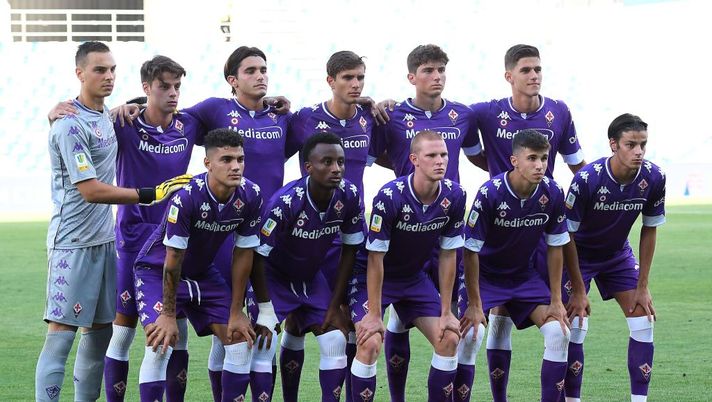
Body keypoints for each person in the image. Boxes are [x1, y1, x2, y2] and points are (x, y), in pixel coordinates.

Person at [37, 41, 189, 402]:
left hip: (106, 241)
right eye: (99, 70)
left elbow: (146, 108)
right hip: (72, 243)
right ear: (80, 73)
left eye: (112, 70)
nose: (108, 77)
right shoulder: (69, 125)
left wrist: (131, 105)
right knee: (61, 335)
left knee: (100, 334)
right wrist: (148, 194)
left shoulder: (110, 117)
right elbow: (90, 190)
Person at [467, 44, 589, 401]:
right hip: (499, 227)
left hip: (541, 224)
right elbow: (447, 122)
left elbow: (577, 166)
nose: (534, 76)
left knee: (565, 321)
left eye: (538, 69)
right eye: (526, 70)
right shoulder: (486, 114)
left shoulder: (558, 112)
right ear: (510, 76)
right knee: (493, 319)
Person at [366, 44, 484, 401]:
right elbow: (368, 158)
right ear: (412, 77)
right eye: (429, 70)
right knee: (398, 320)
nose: (437, 77)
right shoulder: (391, 116)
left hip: (445, 226)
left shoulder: (463, 116)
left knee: (460, 328)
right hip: (403, 232)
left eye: (441, 70)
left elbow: (483, 158)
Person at [132, 128, 276, 401]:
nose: (235, 166)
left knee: (238, 341)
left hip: (201, 273)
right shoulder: (187, 197)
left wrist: (236, 311)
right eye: (226, 160)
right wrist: (168, 314)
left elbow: (244, 254)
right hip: (156, 270)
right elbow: (172, 262)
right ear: (208, 163)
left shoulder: (251, 195)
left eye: (240, 159)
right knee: (161, 343)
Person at [97, 55, 206, 402]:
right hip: (133, 240)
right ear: (147, 88)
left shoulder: (189, 125)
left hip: (176, 240)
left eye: (177, 86)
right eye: (164, 87)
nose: (173, 93)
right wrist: (57, 110)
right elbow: (85, 121)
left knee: (179, 331)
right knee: (124, 331)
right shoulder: (124, 123)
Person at [282, 50, 374, 402]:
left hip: (350, 234)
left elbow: (381, 155)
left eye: (360, 77)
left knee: (349, 320)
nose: (355, 84)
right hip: (308, 235)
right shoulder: (305, 119)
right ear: (330, 81)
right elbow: (275, 146)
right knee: (296, 319)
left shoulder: (368, 118)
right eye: (348, 77)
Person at [350, 130, 466, 402]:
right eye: (432, 155)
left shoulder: (455, 195)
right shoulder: (390, 197)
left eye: (444, 155)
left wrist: (448, 311)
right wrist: (375, 314)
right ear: (414, 159)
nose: (440, 161)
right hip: (376, 276)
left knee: (448, 338)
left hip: (413, 278)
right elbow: (375, 259)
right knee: (370, 342)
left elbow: (449, 255)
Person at [459, 129, 572, 402]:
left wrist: (556, 300)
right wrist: (475, 304)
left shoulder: (553, 191)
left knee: (559, 333)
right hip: (485, 277)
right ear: (515, 161)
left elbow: (557, 247)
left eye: (544, 158)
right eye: (532, 158)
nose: (539, 165)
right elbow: (470, 251)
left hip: (523, 278)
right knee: (472, 336)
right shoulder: (490, 194)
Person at [560, 113, 665, 402]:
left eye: (643, 144)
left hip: (617, 254)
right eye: (631, 144)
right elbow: (565, 236)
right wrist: (579, 290)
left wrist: (642, 286)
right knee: (576, 325)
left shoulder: (654, 177)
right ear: (613, 145)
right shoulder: (586, 180)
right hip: (578, 256)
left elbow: (650, 229)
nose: (639, 151)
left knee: (644, 320)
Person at [254, 132, 365, 402]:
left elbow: (350, 249)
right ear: (308, 167)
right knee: (262, 344)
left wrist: (335, 302)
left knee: (336, 339)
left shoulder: (349, 195)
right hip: (273, 278)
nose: (336, 168)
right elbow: (257, 257)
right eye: (326, 162)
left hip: (311, 277)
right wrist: (266, 309)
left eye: (340, 161)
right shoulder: (285, 203)